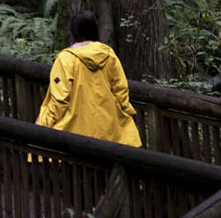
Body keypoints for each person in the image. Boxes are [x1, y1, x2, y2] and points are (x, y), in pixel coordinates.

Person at [35, 11, 142, 147]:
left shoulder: (66, 59)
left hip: (75, 133)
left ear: (73, 31)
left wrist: (43, 124)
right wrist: (127, 114)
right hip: (109, 131)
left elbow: (60, 100)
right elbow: (121, 90)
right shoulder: (108, 54)